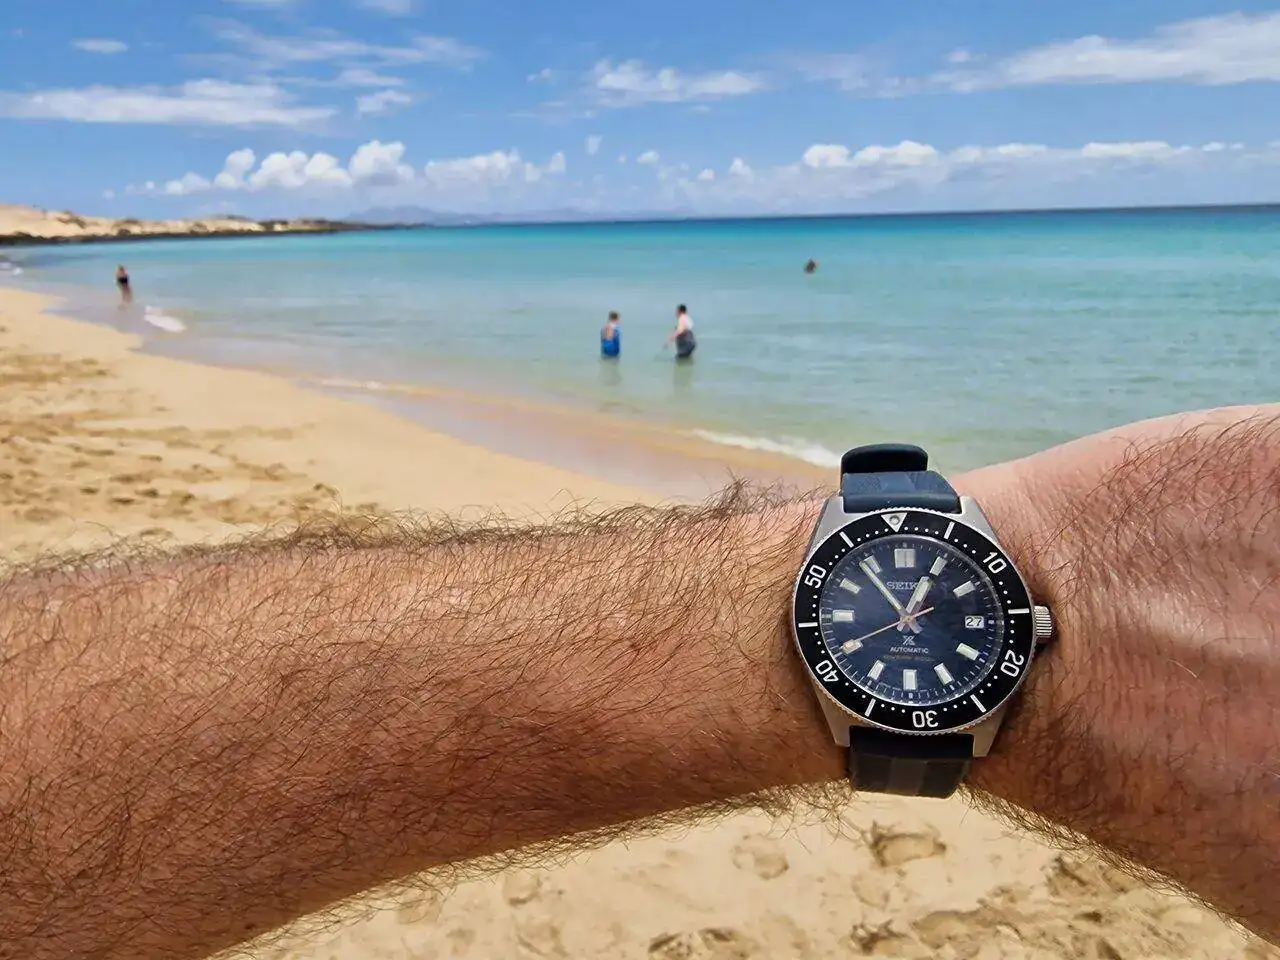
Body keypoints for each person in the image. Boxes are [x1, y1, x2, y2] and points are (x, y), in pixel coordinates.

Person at [0, 404, 1279, 959]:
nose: (898, 612)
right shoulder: (939, 621)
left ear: (1024, 626)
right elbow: (817, 616)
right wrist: (1075, 594)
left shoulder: (968, 623)